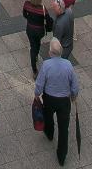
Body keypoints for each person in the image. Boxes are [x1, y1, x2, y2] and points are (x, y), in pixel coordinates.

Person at [35, 38, 79, 166]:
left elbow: (40, 83)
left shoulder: (46, 65)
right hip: (64, 101)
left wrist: (37, 94)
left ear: (50, 53)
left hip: (49, 98)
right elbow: (74, 85)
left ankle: (49, 133)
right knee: (64, 128)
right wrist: (74, 96)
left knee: (48, 117)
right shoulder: (68, 65)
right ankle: (61, 156)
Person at [23, 0, 52, 76]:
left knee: (33, 46)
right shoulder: (42, 9)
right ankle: (35, 54)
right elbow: (48, 20)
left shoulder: (26, 4)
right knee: (37, 44)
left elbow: (24, 15)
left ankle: (34, 69)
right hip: (39, 31)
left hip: (30, 29)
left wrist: (30, 20)